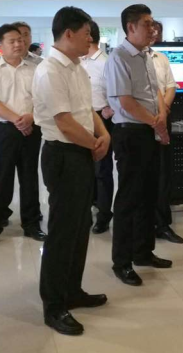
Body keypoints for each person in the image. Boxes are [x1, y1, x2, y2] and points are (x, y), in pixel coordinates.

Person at [34, 7, 110, 336]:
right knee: (63, 232)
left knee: (80, 227)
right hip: (63, 155)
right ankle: (53, 305)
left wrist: (103, 134)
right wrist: (95, 144)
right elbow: (64, 122)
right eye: (86, 34)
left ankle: (72, 290)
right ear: (68, 34)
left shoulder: (77, 67)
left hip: (81, 151)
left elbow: (86, 109)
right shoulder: (49, 70)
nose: (90, 39)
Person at [105, 4, 171, 286]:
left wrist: (161, 119)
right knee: (129, 199)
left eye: (153, 23)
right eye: (147, 24)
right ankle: (122, 262)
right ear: (130, 27)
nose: (152, 29)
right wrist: (157, 123)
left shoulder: (146, 56)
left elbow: (155, 92)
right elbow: (126, 102)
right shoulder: (118, 57)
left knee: (148, 195)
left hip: (149, 131)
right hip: (130, 133)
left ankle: (143, 252)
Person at [0, 24, 45, 248]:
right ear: (1, 45)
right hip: (3, 130)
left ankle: (31, 223)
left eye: (20, 39)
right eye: (12, 41)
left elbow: (43, 99)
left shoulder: (36, 69)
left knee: (29, 177)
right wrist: (19, 120)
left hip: (31, 127)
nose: (18, 44)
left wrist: (30, 117)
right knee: (0, 179)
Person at [150, 20, 183, 244]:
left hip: (163, 117)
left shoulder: (161, 58)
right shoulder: (126, 58)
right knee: (142, 175)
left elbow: (170, 85)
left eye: (156, 30)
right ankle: (143, 224)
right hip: (141, 121)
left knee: (163, 173)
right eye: (149, 28)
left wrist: (165, 109)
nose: (153, 33)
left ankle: (162, 224)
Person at [80, 21, 115, 234]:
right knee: (84, 169)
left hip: (101, 119)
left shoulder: (106, 62)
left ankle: (104, 214)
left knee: (102, 170)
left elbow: (116, 91)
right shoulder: (77, 62)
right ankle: (88, 208)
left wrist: (110, 109)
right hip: (80, 120)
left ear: (89, 37)